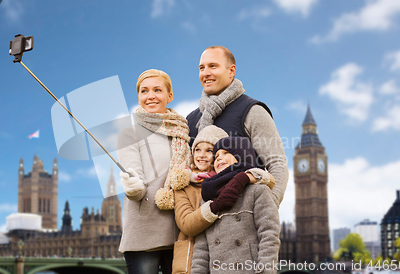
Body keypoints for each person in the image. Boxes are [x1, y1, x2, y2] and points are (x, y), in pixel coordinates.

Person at [186, 46, 288, 207]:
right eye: (201, 68)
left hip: (242, 222)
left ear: (231, 71)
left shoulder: (253, 111)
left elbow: (277, 165)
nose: (205, 73)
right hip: (199, 223)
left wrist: (265, 210)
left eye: (213, 66)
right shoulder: (191, 120)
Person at [117, 69, 191, 274]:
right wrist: (133, 187)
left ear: (170, 96)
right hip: (145, 232)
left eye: (157, 90)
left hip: (181, 231)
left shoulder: (183, 132)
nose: (150, 96)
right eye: (144, 91)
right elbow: (136, 184)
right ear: (139, 97)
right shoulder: (129, 133)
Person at [172, 126, 274, 274]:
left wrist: (243, 178)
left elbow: (269, 234)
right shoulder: (207, 196)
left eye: (225, 152)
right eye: (217, 154)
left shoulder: (256, 189)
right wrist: (216, 205)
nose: (218, 157)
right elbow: (201, 248)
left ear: (240, 155)